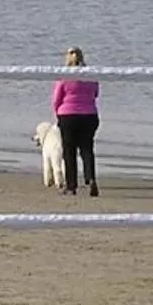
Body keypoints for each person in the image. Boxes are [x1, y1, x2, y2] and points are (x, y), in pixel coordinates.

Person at [52, 47, 101, 197]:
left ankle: (71, 185)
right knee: (87, 149)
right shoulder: (90, 76)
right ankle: (90, 178)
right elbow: (96, 94)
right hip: (89, 115)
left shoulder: (64, 77)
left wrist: (57, 114)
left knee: (69, 151)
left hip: (68, 115)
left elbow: (56, 99)